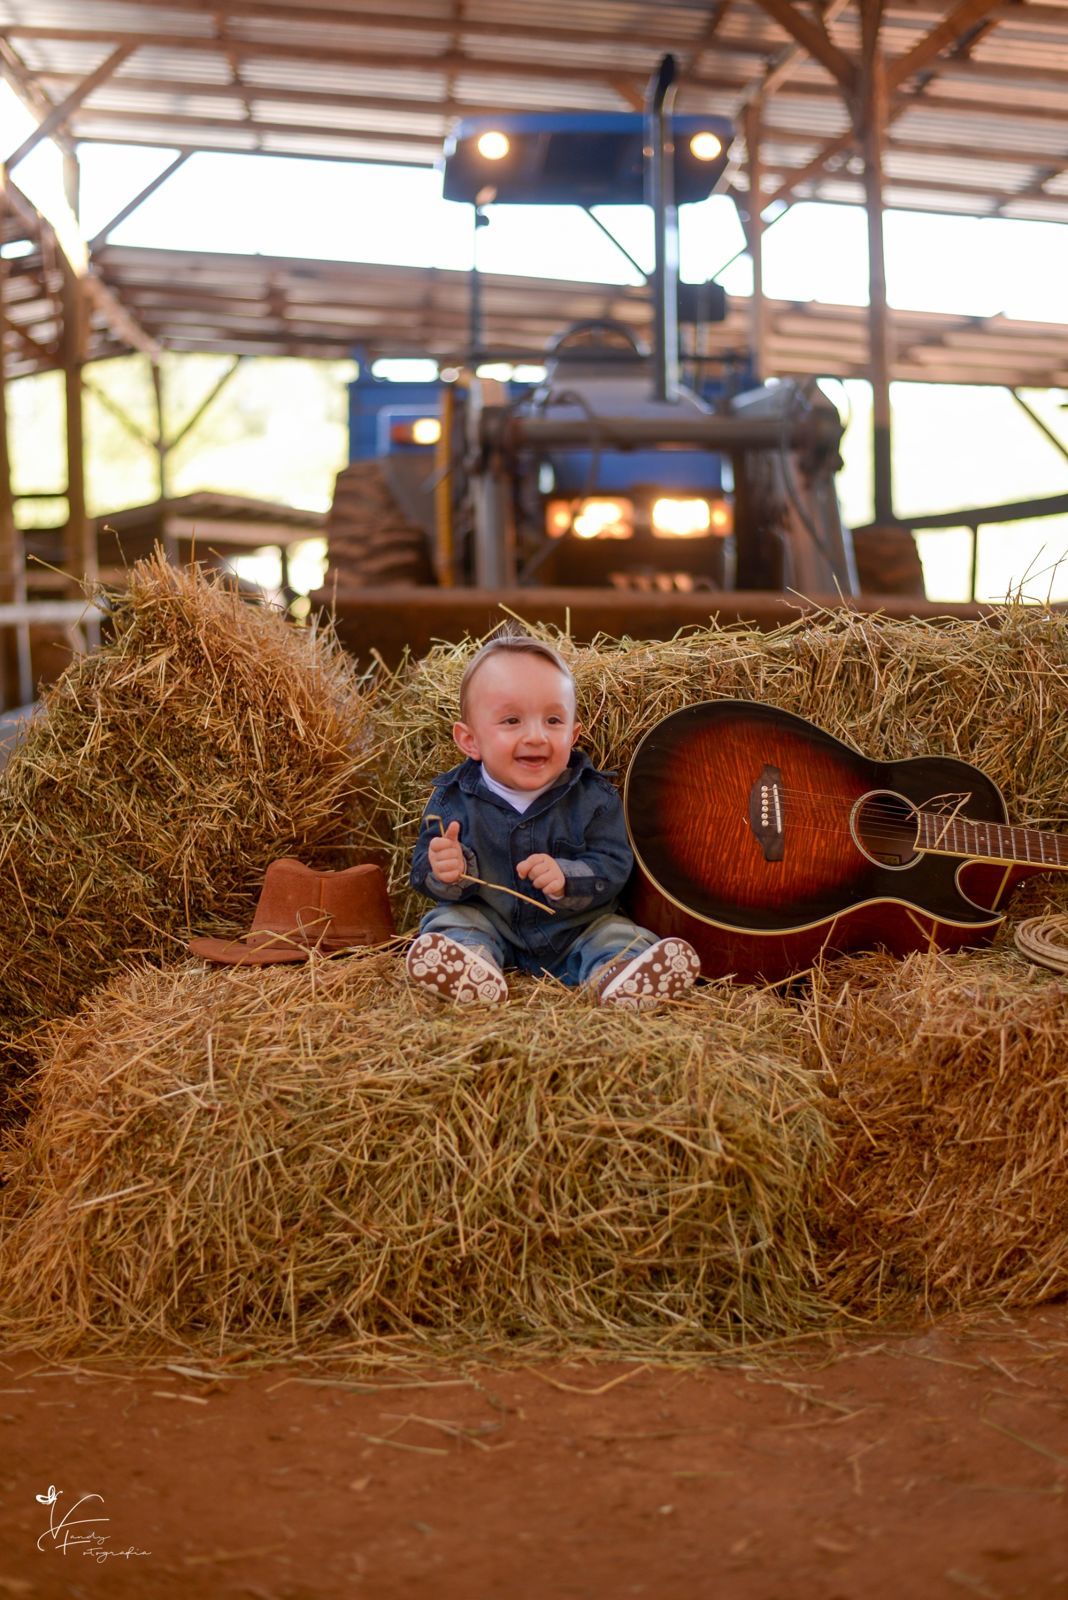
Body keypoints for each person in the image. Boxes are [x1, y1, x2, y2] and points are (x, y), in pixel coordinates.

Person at [407, 632, 700, 1009]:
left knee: (616, 933)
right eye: (512, 720)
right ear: (470, 740)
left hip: (576, 929)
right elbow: (422, 872)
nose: (536, 736)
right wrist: (445, 872)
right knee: (450, 921)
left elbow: (615, 865)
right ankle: (471, 966)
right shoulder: (450, 800)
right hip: (489, 923)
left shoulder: (594, 798)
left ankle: (617, 975)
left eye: (553, 720)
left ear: (574, 734)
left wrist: (567, 877)